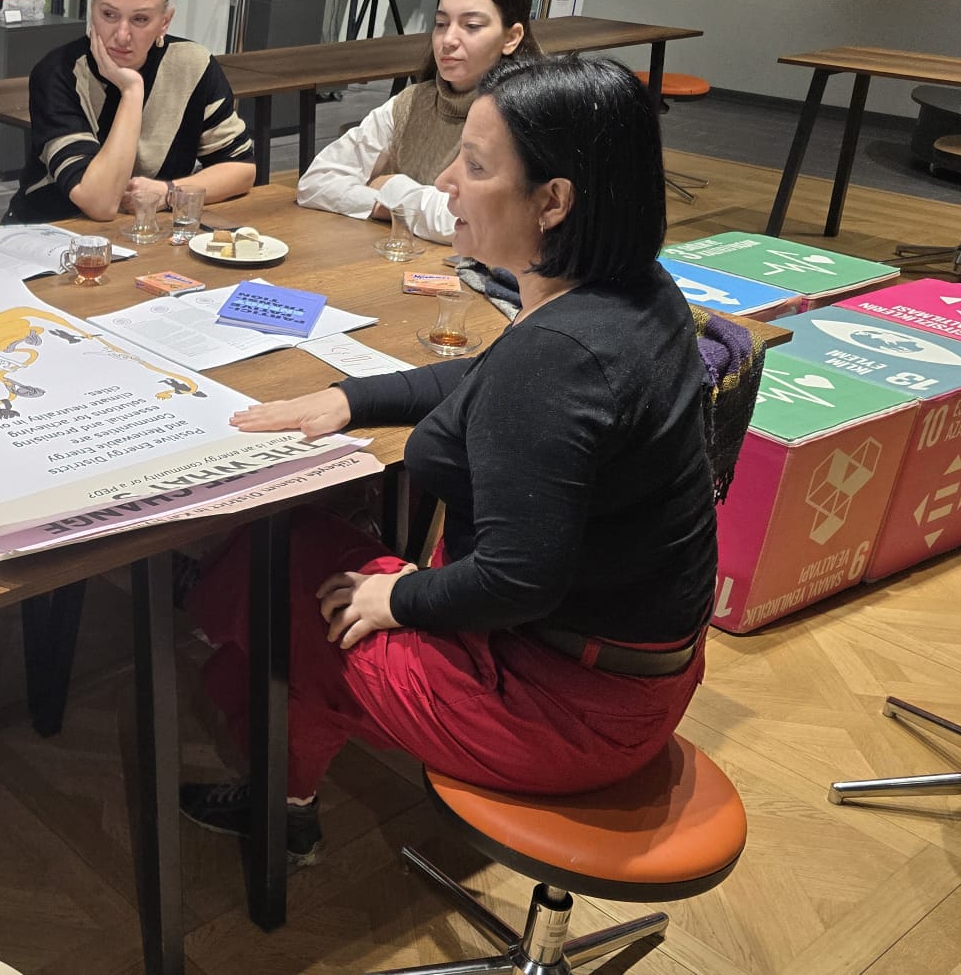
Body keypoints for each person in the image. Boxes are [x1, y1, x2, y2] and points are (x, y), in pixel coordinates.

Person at [182, 56, 717, 865]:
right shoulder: (635, 292)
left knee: (279, 573)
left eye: (475, 165)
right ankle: (286, 780)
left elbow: (517, 578)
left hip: (560, 709)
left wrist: (401, 597)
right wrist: (351, 400)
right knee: (307, 554)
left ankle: (276, 796)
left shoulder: (559, 356)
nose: (444, 182)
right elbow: (492, 377)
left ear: (553, 201)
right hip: (633, 677)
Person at [7, 0, 255, 223]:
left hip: (146, 233)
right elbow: (100, 203)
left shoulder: (193, 65)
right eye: (109, 14)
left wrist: (168, 192)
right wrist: (131, 90)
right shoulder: (59, 73)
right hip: (51, 229)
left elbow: (241, 169)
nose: (122, 35)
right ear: (91, 9)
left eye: (140, 20)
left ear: (164, 22)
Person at [296, 0, 541, 243]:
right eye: (441, 24)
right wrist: (391, 206)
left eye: (471, 26)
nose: (448, 40)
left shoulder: (522, 115)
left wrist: (392, 186)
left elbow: (476, 220)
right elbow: (316, 180)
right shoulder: (412, 102)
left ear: (511, 37)